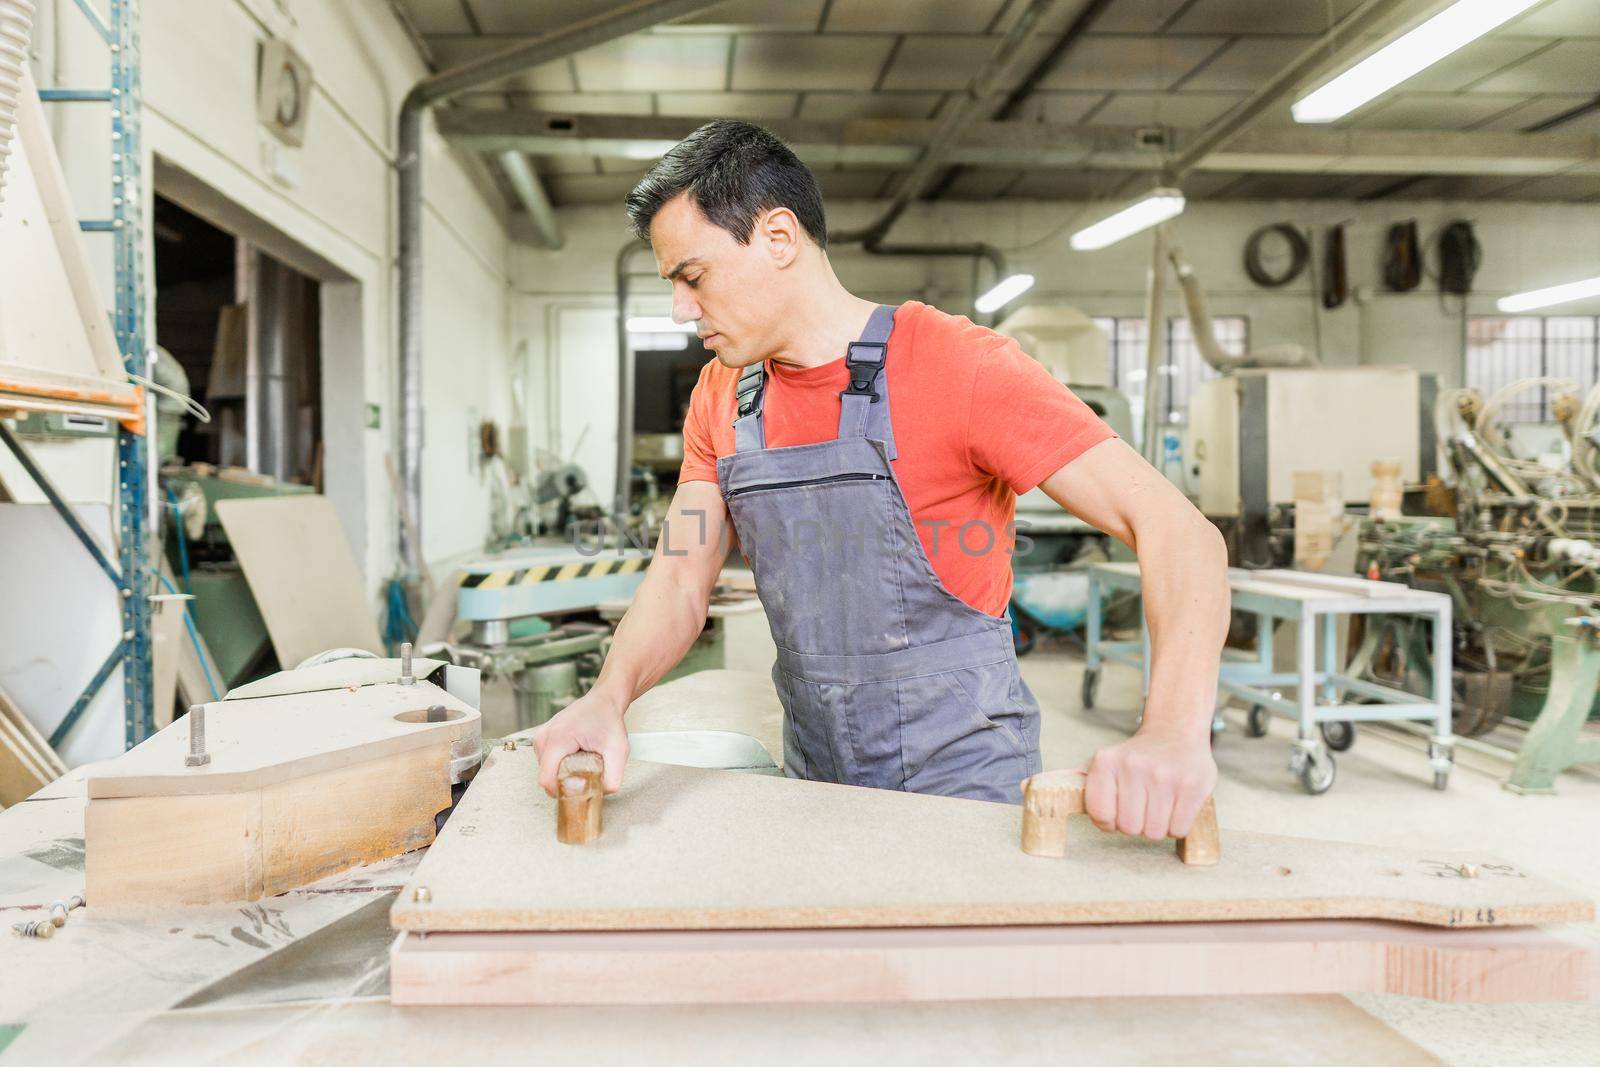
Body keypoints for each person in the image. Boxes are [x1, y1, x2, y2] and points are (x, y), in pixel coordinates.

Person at [533, 120, 1228, 841]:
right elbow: (680, 577)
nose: (681, 308)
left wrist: (1173, 729)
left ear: (778, 238)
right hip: (816, 778)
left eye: (693, 276)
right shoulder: (722, 396)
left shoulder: (958, 365)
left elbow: (1182, 532)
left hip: (961, 790)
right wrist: (607, 696)